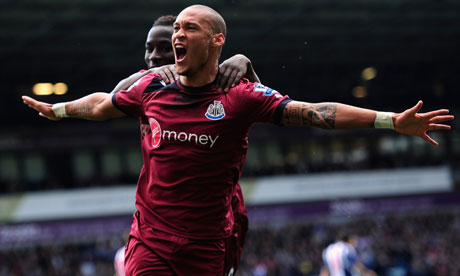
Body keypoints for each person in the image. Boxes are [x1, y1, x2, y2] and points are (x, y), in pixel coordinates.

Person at [22, 4, 454, 275]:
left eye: (188, 28)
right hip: (150, 237)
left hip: (208, 242)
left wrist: (390, 121)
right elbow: (101, 103)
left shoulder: (240, 96)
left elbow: (316, 113)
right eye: (176, 29)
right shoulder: (151, 86)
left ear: (216, 41)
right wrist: (56, 109)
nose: (176, 36)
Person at [109, 14, 256, 275]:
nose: (154, 56)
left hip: (218, 216)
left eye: (165, 48)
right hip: (161, 220)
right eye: (149, 48)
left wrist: (246, 64)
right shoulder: (148, 86)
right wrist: (150, 73)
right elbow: (112, 98)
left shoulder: (216, 84)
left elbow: (260, 103)